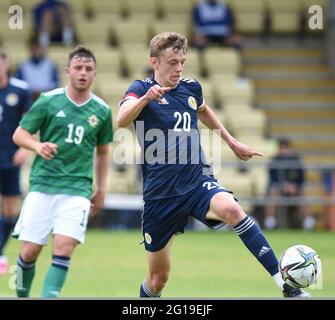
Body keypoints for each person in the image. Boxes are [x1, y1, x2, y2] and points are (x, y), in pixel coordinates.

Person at [117, 32, 310, 298]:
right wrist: (146, 99)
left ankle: (286, 287)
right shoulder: (140, 89)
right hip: (161, 195)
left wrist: (231, 142)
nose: (179, 68)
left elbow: (203, 109)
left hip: (196, 182)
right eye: (172, 62)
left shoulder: (190, 87)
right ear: (155, 62)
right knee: (157, 279)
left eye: (182, 61)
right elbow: (121, 120)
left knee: (231, 208)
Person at [12, 46, 113, 297]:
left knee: (64, 249)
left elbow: (103, 152)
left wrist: (101, 189)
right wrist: (37, 145)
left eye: (88, 69)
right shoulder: (48, 101)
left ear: (95, 74)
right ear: (68, 71)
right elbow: (19, 134)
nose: (83, 73)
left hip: (78, 189)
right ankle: (21, 295)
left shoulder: (102, 111)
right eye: (78, 68)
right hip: (43, 184)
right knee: (29, 252)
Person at [0, 50, 31, 275]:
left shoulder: (19, 90)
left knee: (10, 210)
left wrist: (24, 147)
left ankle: (0, 251)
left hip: (10, 158)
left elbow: (30, 121)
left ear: (6, 64)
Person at [264, 138, 315, 231]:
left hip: (294, 189)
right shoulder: (274, 162)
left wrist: (294, 186)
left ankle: (308, 223)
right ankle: (270, 223)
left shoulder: (297, 162)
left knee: (301, 194)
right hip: (279, 189)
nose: (284, 151)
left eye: (286, 148)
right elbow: (272, 180)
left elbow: (301, 180)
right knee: (272, 193)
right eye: (281, 148)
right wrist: (283, 186)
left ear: (290, 148)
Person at [15, 36, 59, 101]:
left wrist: (42, 93)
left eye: (37, 48)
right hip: (28, 99)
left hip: (47, 99)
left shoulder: (50, 65)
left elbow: (55, 85)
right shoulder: (22, 66)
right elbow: (20, 85)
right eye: (33, 48)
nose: (35, 50)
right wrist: (31, 93)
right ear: (29, 49)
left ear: (42, 48)